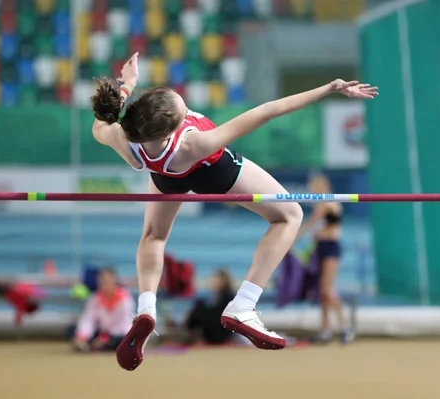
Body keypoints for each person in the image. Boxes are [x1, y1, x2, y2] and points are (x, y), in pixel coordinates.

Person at [90, 52, 378, 370]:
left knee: (154, 236)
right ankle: (243, 305)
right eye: (179, 103)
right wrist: (329, 88)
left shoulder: (125, 141)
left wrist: (126, 85)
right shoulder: (196, 142)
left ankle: (146, 308)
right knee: (290, 215)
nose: (180, 98)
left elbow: (102, 122)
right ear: (172, 127)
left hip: (164, 175)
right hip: (213, 170)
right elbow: (268, 111)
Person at [297, 175, 354, 344]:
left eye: (314, 187)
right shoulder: (320, 204)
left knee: (327, 289)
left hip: (331, 248)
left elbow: (319, 223)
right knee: (322, 292)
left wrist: (297, 235)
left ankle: (345, 326)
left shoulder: (331, 202)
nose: (312, 191)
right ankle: (325, 329)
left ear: (322, 186)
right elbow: (317, 224)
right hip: (320, 248)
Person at [73, 268, 134, 352]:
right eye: (101, 281)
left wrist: (105, 338)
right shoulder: (95, 298)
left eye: (107, 281)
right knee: (73, 331)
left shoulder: (125, 299)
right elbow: (88, 320)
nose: (104, 284)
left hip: (120, 335)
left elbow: (124, 325)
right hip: (102, 333)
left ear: (114, 281)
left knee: (121, 341)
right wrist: (82, 336)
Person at [184, 268, 235, 345]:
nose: (213, 282)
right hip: (220, 329)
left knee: (199, 307)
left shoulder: (228, 296)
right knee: (199, 307)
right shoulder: (221, 295)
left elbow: (219, 314)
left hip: (221, 332)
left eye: (216, 279)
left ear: (223, 281)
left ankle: (191, 334)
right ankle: (191, 334)